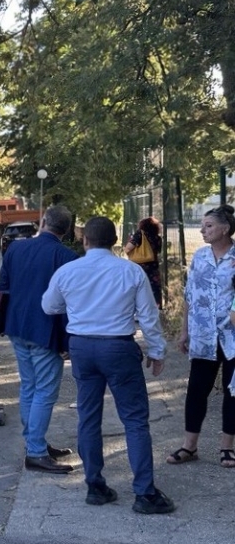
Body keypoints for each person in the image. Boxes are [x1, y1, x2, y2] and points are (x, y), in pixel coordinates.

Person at [42, 216, 174, 514]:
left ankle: (95, 486)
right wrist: (157, 350)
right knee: (135, 420)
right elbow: (148, 316)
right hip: (118, 347)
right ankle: (144, 493)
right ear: (115, 241)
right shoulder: (131, 272)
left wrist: (77, 306)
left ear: (85, 240)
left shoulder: (68, 271)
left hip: (82, 347)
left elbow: (49, 306)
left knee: (88, 417)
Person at [0, 205, 78, 474]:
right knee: (44, 391)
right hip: (46, 333)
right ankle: (36, 452)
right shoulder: (66, 257)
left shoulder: (15, 249)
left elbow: (2, 286)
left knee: (29, 386)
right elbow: (69, 303)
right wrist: (68, 343)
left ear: (43, 222)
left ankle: (35, 443)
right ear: (66, 231)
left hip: (17, 326)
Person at [166, 204, 235, 469]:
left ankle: (227, 447)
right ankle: (189, 445)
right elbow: (189, 296)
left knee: (233, 392)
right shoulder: (200, 257)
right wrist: (184, 331)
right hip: (204, 335)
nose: (203, 230)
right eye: (203, 226)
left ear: (225, 229)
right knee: (197, 390)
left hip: (232, 337)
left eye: (209, 226)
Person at [123, 216, 163, 307]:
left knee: (139, 289)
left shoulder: (140, 234)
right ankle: (156, 307)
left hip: (139, 267)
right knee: (154, 289)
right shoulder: (158, 238)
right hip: (153, 268)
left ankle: (139, 310)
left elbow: (128, 248)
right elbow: (158, 251)